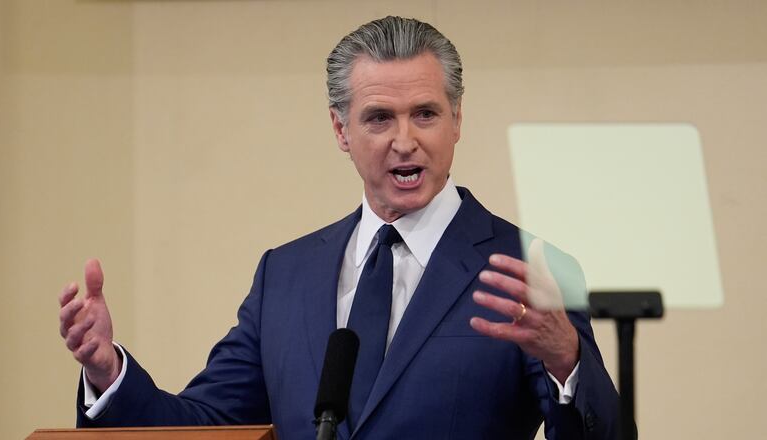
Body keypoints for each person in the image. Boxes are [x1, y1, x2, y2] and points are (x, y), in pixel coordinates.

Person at [58, 16, 619, 439]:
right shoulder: (286, 275)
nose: (405, 140)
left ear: (457, 121)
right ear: (341, 130)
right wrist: (110, 375)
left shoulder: (529, 267)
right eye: (379, 118)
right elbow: (209, 425)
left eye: (425, 114)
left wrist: (566, 360)